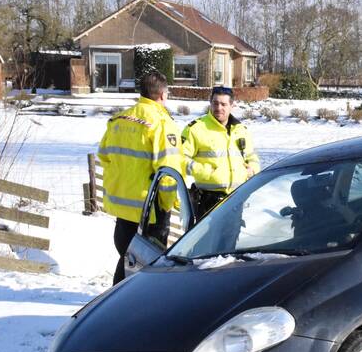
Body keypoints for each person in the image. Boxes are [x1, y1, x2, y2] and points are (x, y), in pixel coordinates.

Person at [98, 70, 183, 284]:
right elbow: (168, 173)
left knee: (127, 259)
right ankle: (123, 308)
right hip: (149, 210)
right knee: (145, 267)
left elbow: (104, 156)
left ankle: (116, 304)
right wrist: (167, 203)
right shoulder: (163, 124)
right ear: (163, 95)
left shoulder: (119, 120)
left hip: (122, 206)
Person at [181, 85, 261, 219]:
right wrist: (204, 171)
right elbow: (179, 158)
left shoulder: (241, 129)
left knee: (231, 240)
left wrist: (251, 169)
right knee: (207, 240)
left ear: (231, 105)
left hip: (236, 199)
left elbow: (252, 157)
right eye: (215, 103)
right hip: (207, 201)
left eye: (223, 104)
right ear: (210, 103)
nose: (219, 108)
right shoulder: (196, 129)